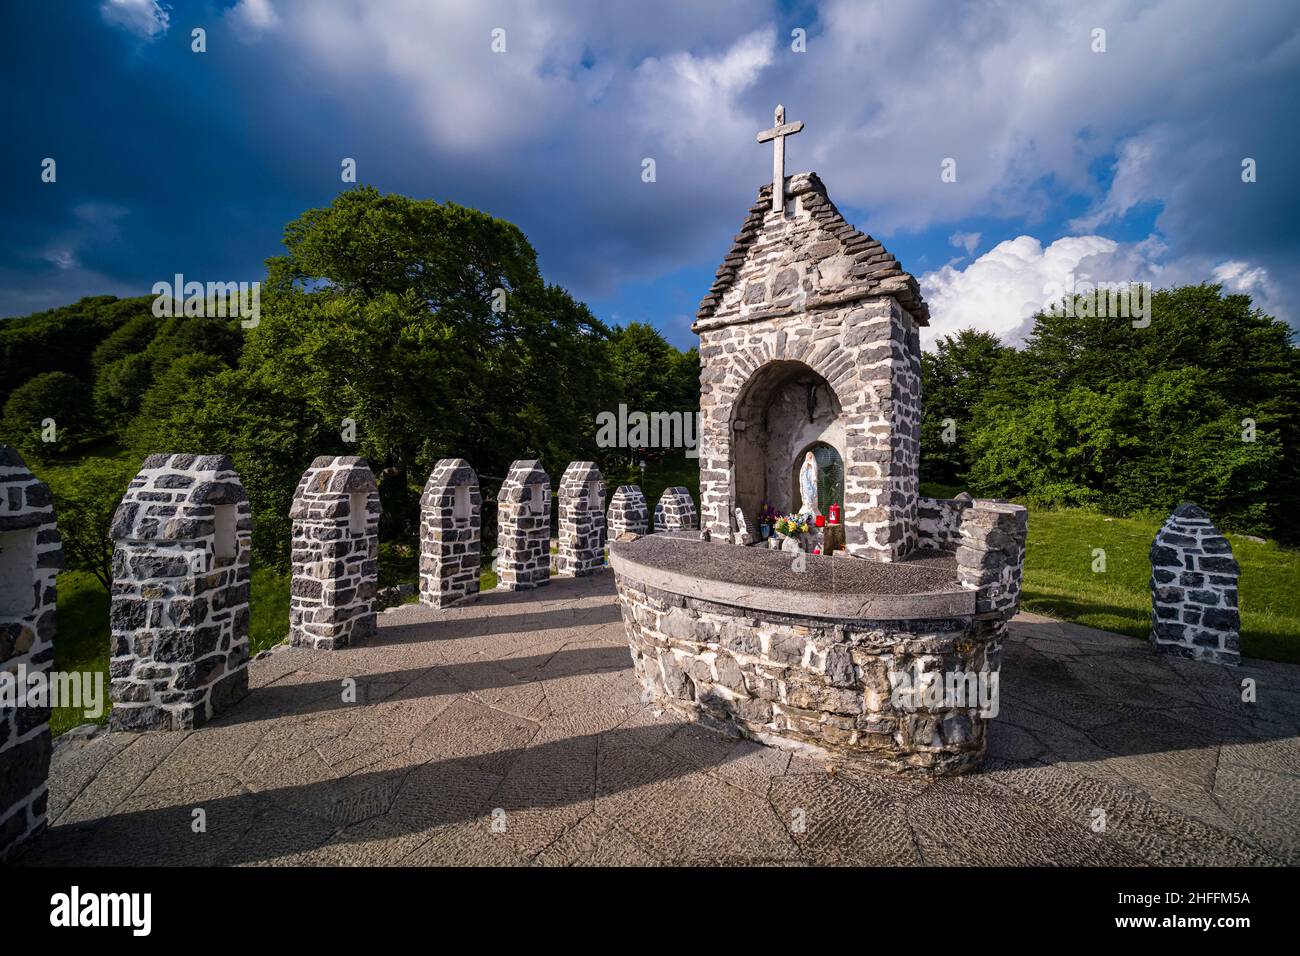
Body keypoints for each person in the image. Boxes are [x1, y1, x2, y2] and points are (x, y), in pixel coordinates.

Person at [798, 450, 820, 518]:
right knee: (806, 498)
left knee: (812, 497)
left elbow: (815, 474)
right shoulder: (804, 465)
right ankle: (807, 508)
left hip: (812, 485)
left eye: (810, 456)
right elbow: (801, 474)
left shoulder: (813, 464)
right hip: (805, 484)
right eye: (808, 456)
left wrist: (811, 465)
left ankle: (811, 510)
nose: (809, 458)